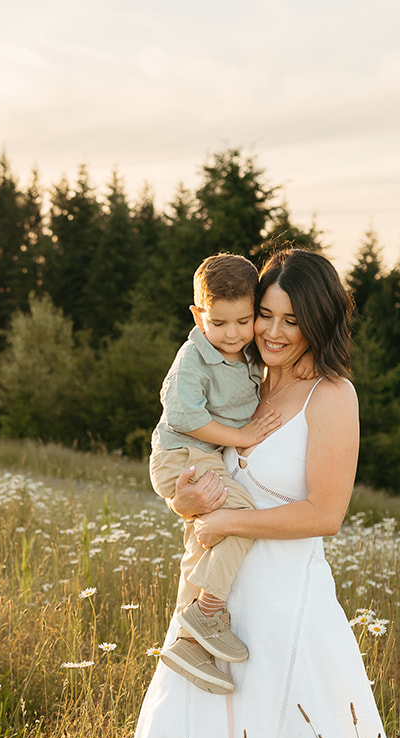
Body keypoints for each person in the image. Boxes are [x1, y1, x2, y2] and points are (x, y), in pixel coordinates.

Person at [123, 247, 400, 738]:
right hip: (220, 598)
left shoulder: (333, 396)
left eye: (290, 319)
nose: (271, 330)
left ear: (320, 321)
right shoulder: (246, 384)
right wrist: (194, 503)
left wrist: (231, 524)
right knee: (198, 733)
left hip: (286, 603)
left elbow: (326, 513)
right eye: (264, 313)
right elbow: (197, 491)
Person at [148, 253, 281, 695]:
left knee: (225, 528)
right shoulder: (192, 356)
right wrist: (240, 437)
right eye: (219, 323)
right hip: (183, 453)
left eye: (243, 322)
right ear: (197, 315)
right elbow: (184, 416)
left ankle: (190, 645)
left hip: (201, 454)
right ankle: (206, 611)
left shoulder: (247, 353)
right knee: (240, 514)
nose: (232, 334)